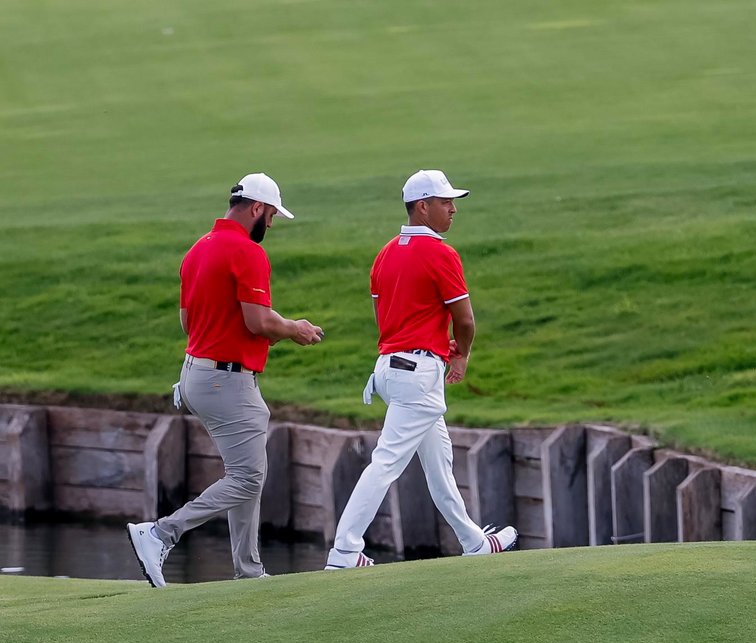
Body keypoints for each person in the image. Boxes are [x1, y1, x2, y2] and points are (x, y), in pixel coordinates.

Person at [127, 173, 324, 588]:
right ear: (256, 208)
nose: (270, 225)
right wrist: (295, 328)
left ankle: (248, 571)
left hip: (196, 374)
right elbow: (259, 321)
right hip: (226, 381)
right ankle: (160, 533)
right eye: (270, 215)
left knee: (245, 472)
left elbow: (187, 322)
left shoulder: (198, 248)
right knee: (248, 477)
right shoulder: (248, 252)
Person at [324, 170, 517, 570]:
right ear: (422, 206)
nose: (453, 209)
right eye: (445, 202)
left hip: (391, 371)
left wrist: (429, 339)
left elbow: (387, 318)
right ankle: (343, 551)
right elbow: (464, 321)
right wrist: (461, 355)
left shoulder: (385, 253)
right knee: (387, 462)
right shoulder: (441, 253)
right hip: (418, 375)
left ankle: (473, 542)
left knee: (438, 463)